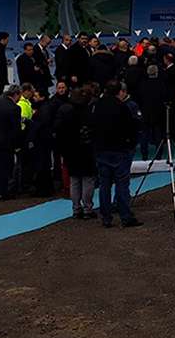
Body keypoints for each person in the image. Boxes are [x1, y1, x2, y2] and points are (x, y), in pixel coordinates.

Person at [90, 81, 142, 228]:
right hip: (119, 150)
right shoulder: (122, 107)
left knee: (104, 185)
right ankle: (125, 216)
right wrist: (130, 144)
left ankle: (106, 217)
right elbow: (131, 128)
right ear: (119, 92)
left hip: (102, 150)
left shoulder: (97, 106)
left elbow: (91, 126)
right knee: (122, 185)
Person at [56, 87, 97, 219]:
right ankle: (87, 208)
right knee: (87, 179)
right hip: (85, 150)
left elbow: (59, 130)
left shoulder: (64, 110)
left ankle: (76, 208)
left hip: (70, 150)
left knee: (74, 180)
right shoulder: (86, 111)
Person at [0, 85, 22, 200]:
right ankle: (3, 192)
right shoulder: (15, 108)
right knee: (5, 168)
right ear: (16, 94)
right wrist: (17, 145)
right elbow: (16, 129)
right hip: (7, 143)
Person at [137, 64, 167, 161]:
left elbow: (140, 98)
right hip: (158, 112)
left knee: (144, 135)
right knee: (158, 134)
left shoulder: (143, 84)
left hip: (146, 112)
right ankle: (159, 155)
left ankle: (144, 154)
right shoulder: (161, 84)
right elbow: (164, 97)